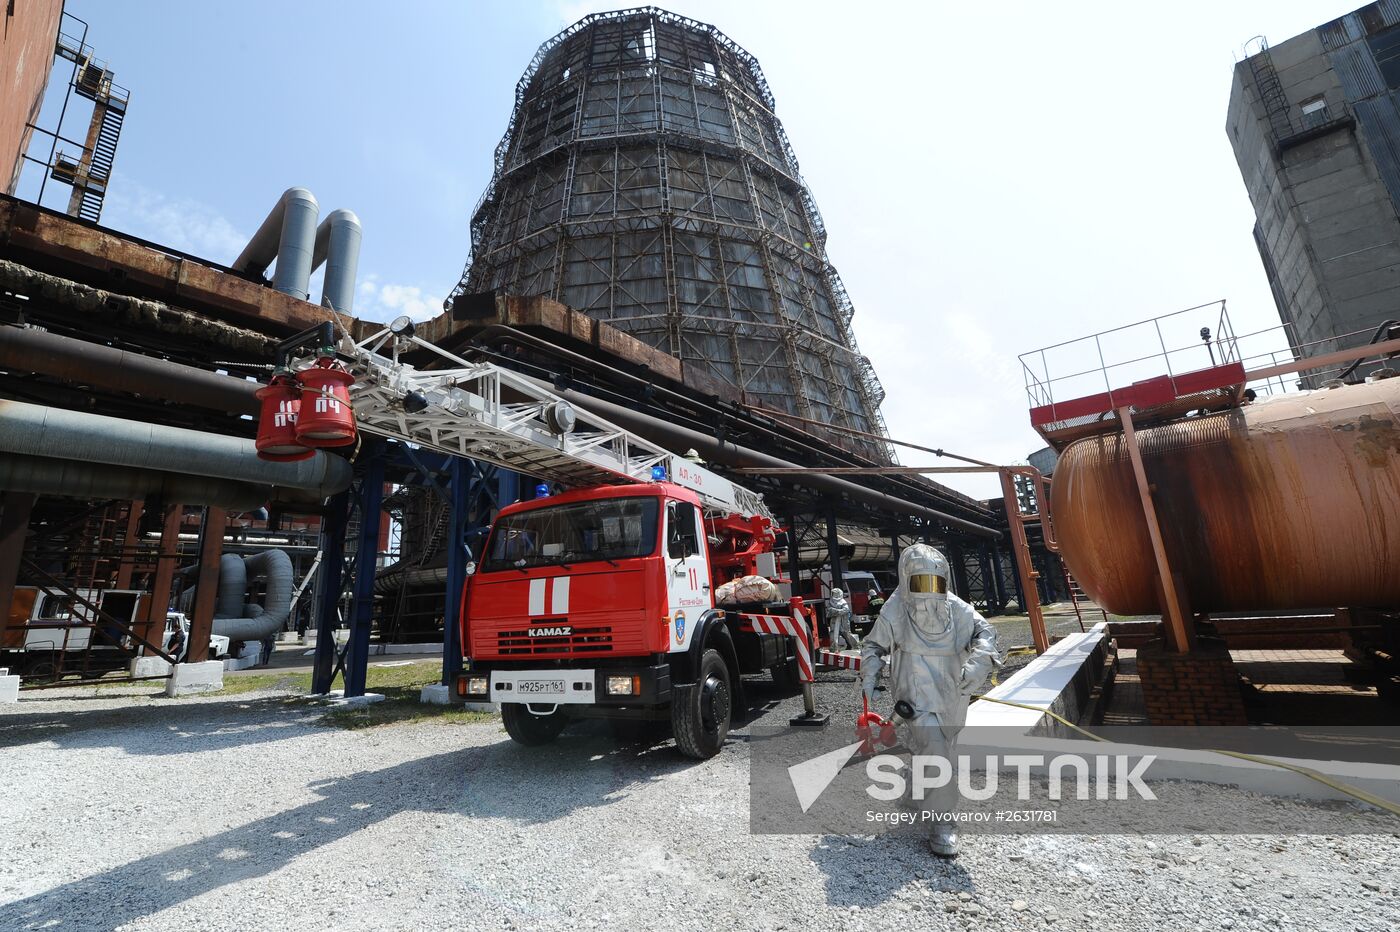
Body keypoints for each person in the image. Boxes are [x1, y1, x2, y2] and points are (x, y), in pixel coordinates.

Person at [860, 544, 999, 858]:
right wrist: (869, 677)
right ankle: (943, 822)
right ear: (906, 580)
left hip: (952, 693)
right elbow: (873, 647)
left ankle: (914, 791)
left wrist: (979, 662)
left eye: (934, 584)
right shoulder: (894, 609)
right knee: (935, 748)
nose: (928, 592)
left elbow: (986, 632)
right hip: (914, 694)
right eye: (919, 583)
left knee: (940, 747)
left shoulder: (957, 609)